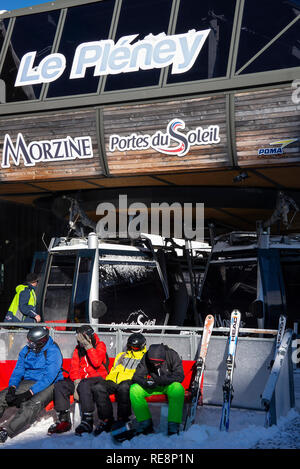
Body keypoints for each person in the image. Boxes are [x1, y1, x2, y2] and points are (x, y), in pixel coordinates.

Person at [0, 326, 64, 444]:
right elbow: (18, 370)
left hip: (50, 383)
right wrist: (12, 388)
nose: (29, 344)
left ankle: (7, 430)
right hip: (30, 380)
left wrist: (29, 393)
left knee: (31, 405)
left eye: (32, 342)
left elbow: (49, 377)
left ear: (41, 341)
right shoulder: (27, 350)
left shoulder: (53, 351)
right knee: (3, 396)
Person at [47, 325, 109, 436]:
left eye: (81, 338)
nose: (79, 342)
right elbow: (74, 368)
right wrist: (76, 382)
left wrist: (87, 345)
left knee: (84, 385)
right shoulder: (77, 349)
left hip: (97, 378)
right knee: (61, 385)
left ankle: (87, 420)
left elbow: (96, 362)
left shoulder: (100, 345)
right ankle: (64, 419)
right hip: (81, 380)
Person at [92, 332, 147, 436]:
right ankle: (107, 419)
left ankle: (123, 419)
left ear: (141, 346)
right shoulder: (121, 355)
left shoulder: (145, 357)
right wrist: (110, 379)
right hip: (113, 381)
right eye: (130, 347)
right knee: (98, 387)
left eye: (135, 348)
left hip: (130, 381)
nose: (132, 349)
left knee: (124, 388)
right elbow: (114, 369)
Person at [130, 343, 185, 436]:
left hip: (168, 385)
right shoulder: (147, 357)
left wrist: (162, 380)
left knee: (178, 389)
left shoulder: (172, 355)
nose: (155, 365)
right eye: (153, 363)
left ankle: (173, 425)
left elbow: (179, 376)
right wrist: (146, 382)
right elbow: (136, 376)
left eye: (158, 363)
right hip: (153, 386)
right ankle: (145, 423)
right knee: (134, 389)